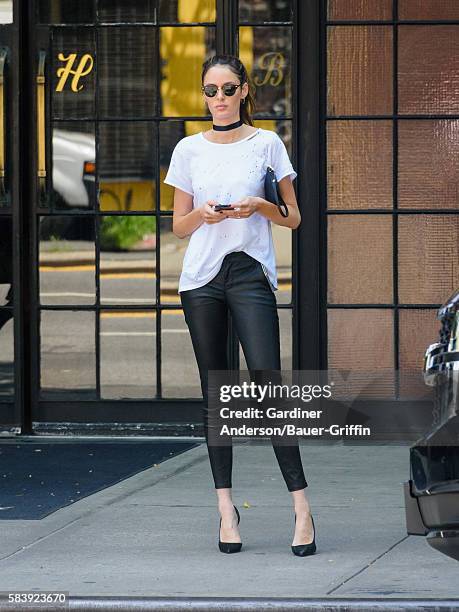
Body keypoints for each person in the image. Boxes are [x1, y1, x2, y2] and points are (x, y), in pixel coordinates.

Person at [163, 54, 316, 556]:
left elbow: (293, 217)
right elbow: (177, 225)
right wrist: (203, 215)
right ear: (202, 95)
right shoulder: (188, 149)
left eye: (229, 89)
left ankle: (302, 510)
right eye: (211, 90)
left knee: (269, 385)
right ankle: (225, 510)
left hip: (250, 273)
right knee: (217, 393)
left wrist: (261, 207)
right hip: (202, 278)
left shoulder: (267, 143)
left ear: (245, 91)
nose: (220, 99)